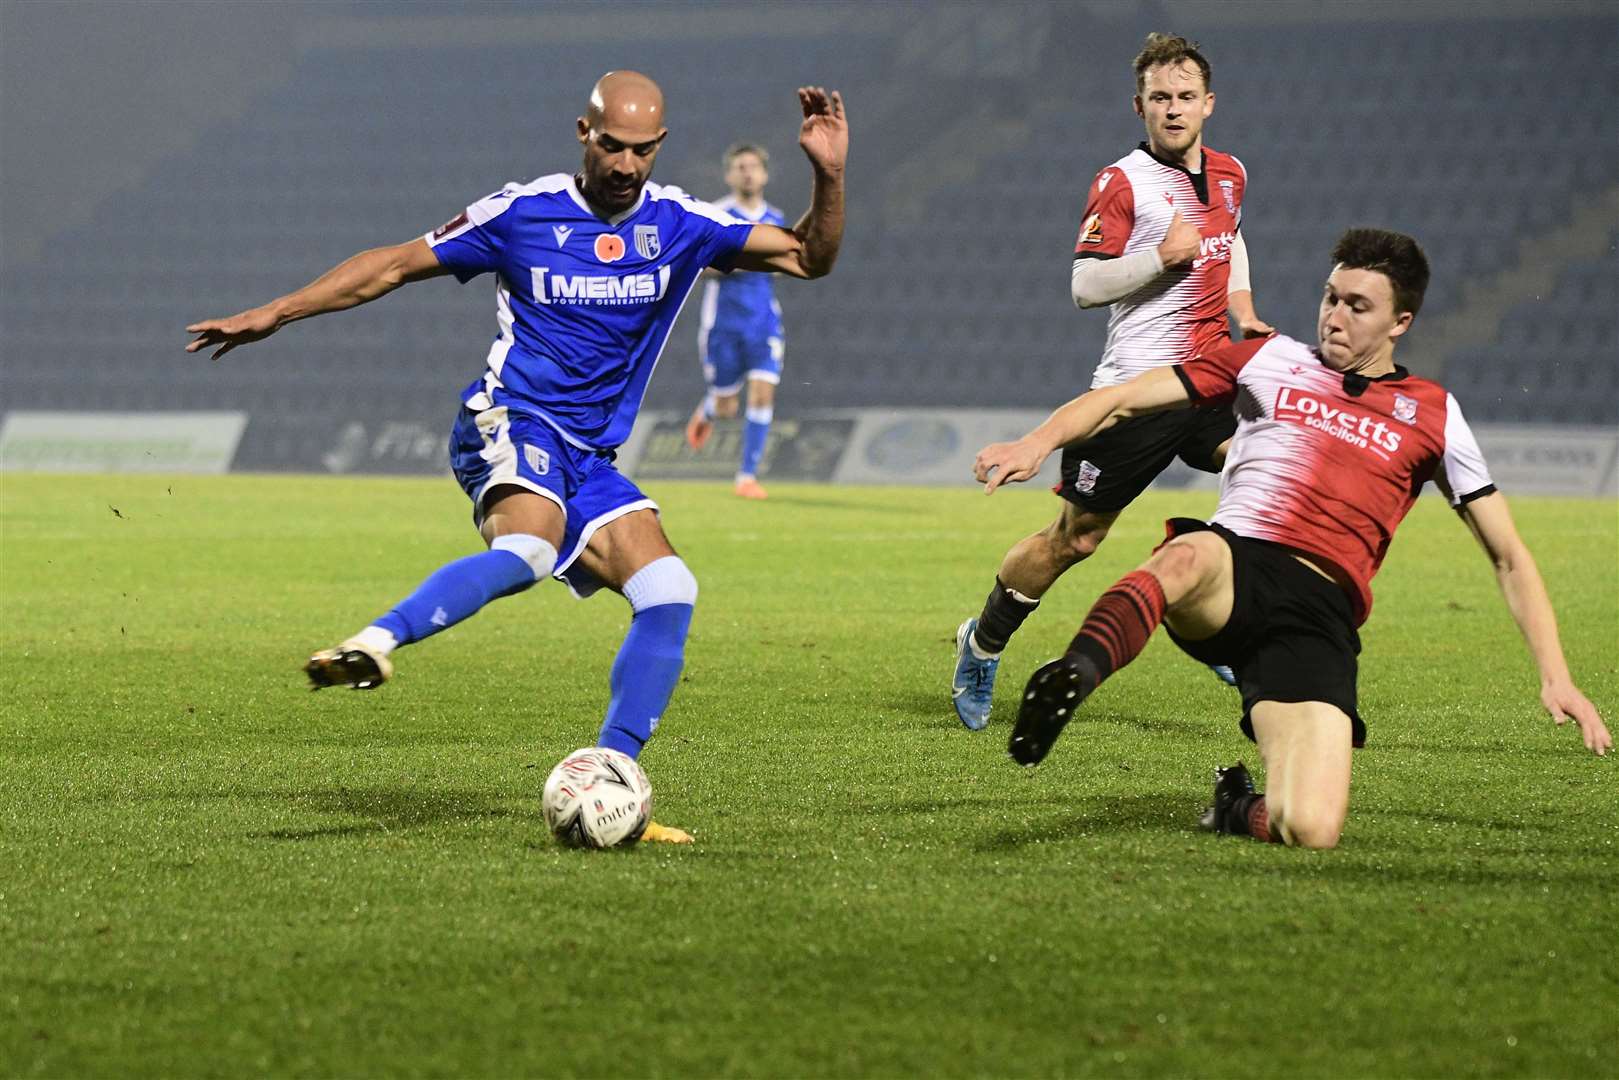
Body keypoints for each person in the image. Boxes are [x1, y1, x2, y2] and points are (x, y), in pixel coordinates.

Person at [185, 72, 848, 844]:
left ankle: (609, 775)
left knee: (669, 588)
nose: (624, 165)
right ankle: (375, 641)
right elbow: (396, 264)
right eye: (610, 146)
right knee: (528, 547)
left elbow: (810, 257)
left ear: (659, 147)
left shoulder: (682, 224)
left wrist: (828, 174)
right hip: (509, 419)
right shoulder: (522, 213)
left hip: (587, 454)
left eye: (640, 151)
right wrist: (279, 311)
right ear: (582, 133)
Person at [972, 227, 1610, 848]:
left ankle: (1235, 807)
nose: (1335, 316)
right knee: (1187, 555)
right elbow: (1124, 399)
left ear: (1401, 322)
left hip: (1319, 618)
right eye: (1331, 297)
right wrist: (1037, 442)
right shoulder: (1269, 359)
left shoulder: (1434, 414)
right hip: (1238, 567)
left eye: (1358, 306)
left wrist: (1555, 676)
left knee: (1310, 827)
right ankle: (1072, 675)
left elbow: (1507, 556)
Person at [950, 32, 1273, 731]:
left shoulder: (1229, 173)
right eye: (1160, 98)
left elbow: (1231, 235)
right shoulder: (1120, 181)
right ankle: (981, 642)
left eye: (1186, 97)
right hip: (1138, 391)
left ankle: (1211, 621)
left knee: (1267, 479)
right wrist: (1159, 258)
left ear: (1208, 104)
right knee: (1076, 539)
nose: (1173, 108)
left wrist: (1241, 307)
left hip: (1211, 380)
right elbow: (1084, 286)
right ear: (1139, 106)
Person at [683, 143, 789, 499]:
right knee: (728, 407)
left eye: (753, 167)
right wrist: (742, 261)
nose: (747, 172)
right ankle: (710, 408)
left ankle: (746, 476)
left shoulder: (776, 218)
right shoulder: (715, 214)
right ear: (729, 175)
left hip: (763, 322)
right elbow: (697, 266)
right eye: (740, 167)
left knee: (762, 391)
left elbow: (783, 264)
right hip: (722, 325)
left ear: (764, 174)